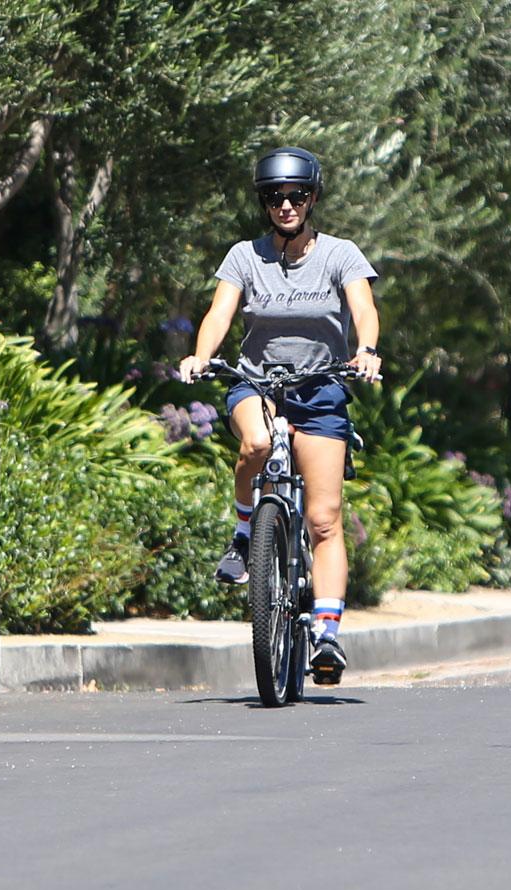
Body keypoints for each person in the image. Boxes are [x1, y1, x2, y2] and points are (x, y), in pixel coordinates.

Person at [177, 147, 382, 685]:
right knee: (258, 446)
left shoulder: (340, 254)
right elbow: (220, 312)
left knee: (323, 519)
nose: (286, 205)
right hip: (258, 382)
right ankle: (247, 533)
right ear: (264, 204)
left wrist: (366, 350)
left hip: (320, 387)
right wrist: (200, 355)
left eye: (296, 196)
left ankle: (327, 632)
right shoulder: (245, 256)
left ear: (312, 198)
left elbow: (363, 308)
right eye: (274, 197)